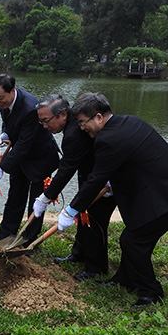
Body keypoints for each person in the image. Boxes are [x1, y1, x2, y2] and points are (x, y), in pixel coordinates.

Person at [59, 92, 168, 307]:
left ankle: (151, 292)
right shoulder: (129, 121)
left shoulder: (107, 139)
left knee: (133, 241)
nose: (81, 128)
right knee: (135, 233)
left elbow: (96, 179)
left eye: (82, 122)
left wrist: (71, 210)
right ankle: (125, 279)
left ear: (98, 117)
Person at [31, 94, 117, 281]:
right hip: (89, 176)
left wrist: (45, 197)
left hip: (103, 182)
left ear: (62, 114)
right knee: (83, 214)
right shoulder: (72, 125)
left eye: (46, 121)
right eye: (41, 122)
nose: (45, 126)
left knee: (94, 222)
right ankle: (78, 254)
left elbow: (66, 169)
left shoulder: (73, 134)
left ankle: (96, 268)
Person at [0, 74, 59, 245]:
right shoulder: (2, 102)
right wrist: (5, 132)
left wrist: (2, 167)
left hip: (39, 158)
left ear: (12, 91)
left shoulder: (30, 108)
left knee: (36, 203)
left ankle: (28, 240)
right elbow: (9, 121)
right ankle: (5, 237)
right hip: (19, 158)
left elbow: (25, 145)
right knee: (15, 198)